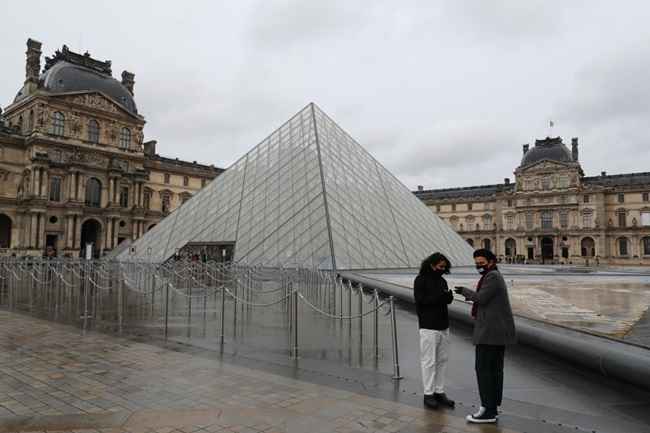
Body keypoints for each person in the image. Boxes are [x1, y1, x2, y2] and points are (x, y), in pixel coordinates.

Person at [454, 249, 516, 424]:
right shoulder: (493, 275)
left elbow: (481, 298)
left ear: (491, 261)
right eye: (476, 263)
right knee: (494, 371)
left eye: (481, 263)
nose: (478, 266)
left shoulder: (492, 277)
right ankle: (491, 407)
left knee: (484, 370)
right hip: (496, 332)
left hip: (490, 332)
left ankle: (487, 410)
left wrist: (464, 291)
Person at [414, 252, 455, 410]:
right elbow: (420, 301)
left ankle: (439, 391)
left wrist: (448, 298)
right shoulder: (420, 280)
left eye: (445, 267)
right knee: (429, 361)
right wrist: (440, 298)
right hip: (428, 326)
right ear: (432, 265)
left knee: (442, 360)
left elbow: (442, 300)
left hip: (444, 325)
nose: (443, 269)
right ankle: (428, 393)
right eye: (440, 266)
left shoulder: (442, 281)